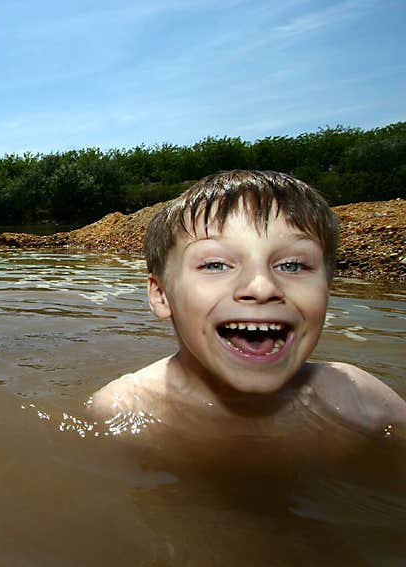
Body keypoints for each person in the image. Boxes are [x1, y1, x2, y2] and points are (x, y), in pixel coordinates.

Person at [89, 170, 406, 459]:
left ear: (327, 287)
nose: (262, 286)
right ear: (161, 295)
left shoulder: (363, 402)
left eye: (292, 265)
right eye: (216, 264)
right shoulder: (122, 410)